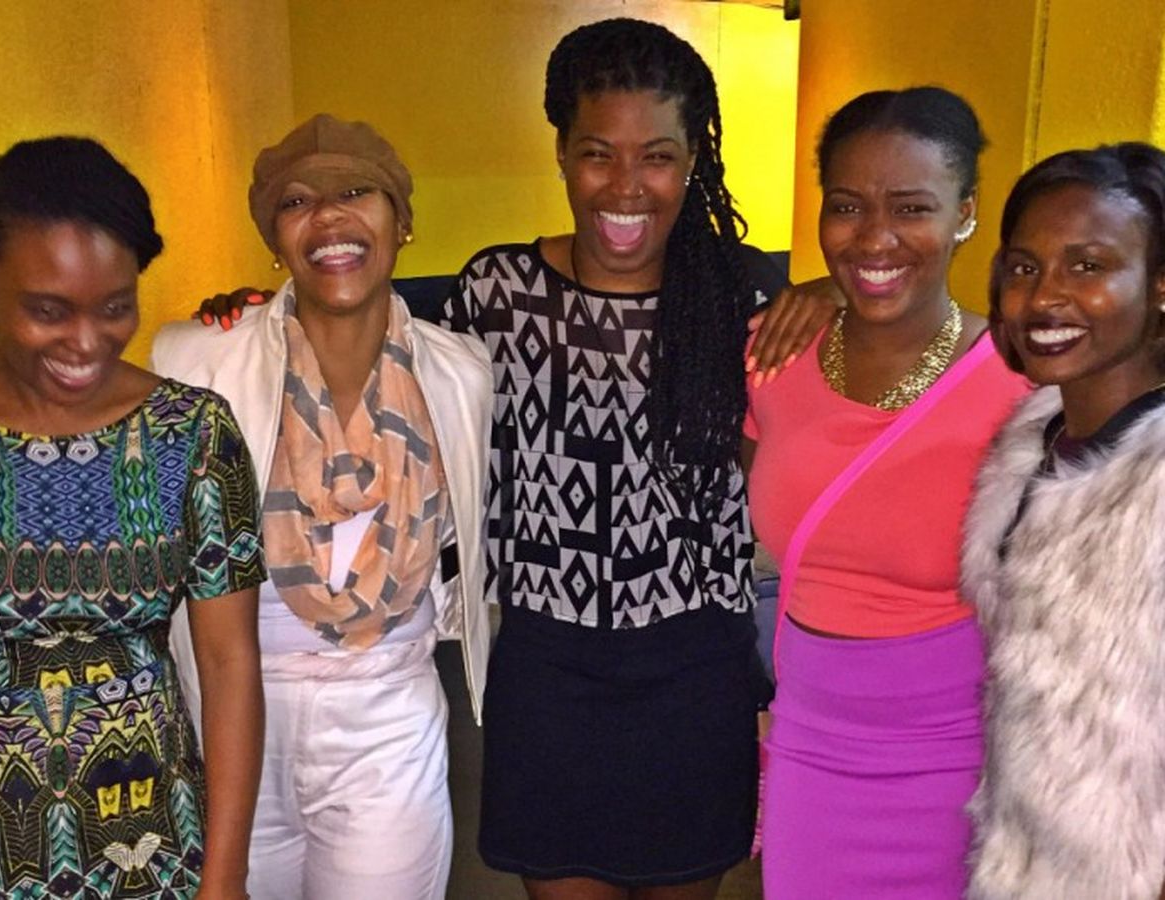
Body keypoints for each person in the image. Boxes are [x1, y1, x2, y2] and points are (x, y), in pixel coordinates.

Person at [441, 18, 768, 900]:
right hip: (547, 671)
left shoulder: (740, 300)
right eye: (598, 154)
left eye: (657, 157)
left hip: (695, 671)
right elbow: (389, 379)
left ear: (692, 161)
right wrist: (253, 319)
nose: (626, 186)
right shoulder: (496, 294)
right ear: (561, 152)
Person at [151, 114, 493, 900]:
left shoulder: (463, 373)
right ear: (274, 238)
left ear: (402, 222)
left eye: (356, 192)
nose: (329, 218)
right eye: (297, 201)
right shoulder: (194, 360)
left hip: (386, 713)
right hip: (235, 712)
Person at [742, 87, 1030, 898]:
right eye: (847, 207)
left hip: (962, 760)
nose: (874, 237)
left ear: (965, 214)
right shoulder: (771, 357)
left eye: (911, 208)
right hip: (808, 746)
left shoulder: (1022, 384)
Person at [0, 137, 264, 899]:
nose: (86, 342)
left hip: (152, 843)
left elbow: (229, 665)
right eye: (48, 311)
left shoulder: (192, 434)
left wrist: (224, 877)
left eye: (114, 308)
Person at [963, 142, 1165, 900]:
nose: (1045, 296)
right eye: (1024, 267)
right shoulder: (1034, 443)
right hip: (1021, 859)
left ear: (1158, 285)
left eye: (1088, 265)